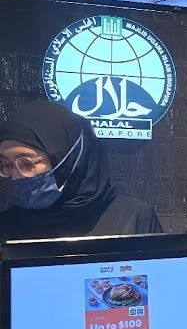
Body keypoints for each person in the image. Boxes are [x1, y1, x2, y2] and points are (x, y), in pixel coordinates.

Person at [0, 101, 162, 240]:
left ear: (68, 160)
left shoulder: (133, 218)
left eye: (26, 164)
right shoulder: (7, 225)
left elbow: (158, 275)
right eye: (6, 165)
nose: (15, 176)